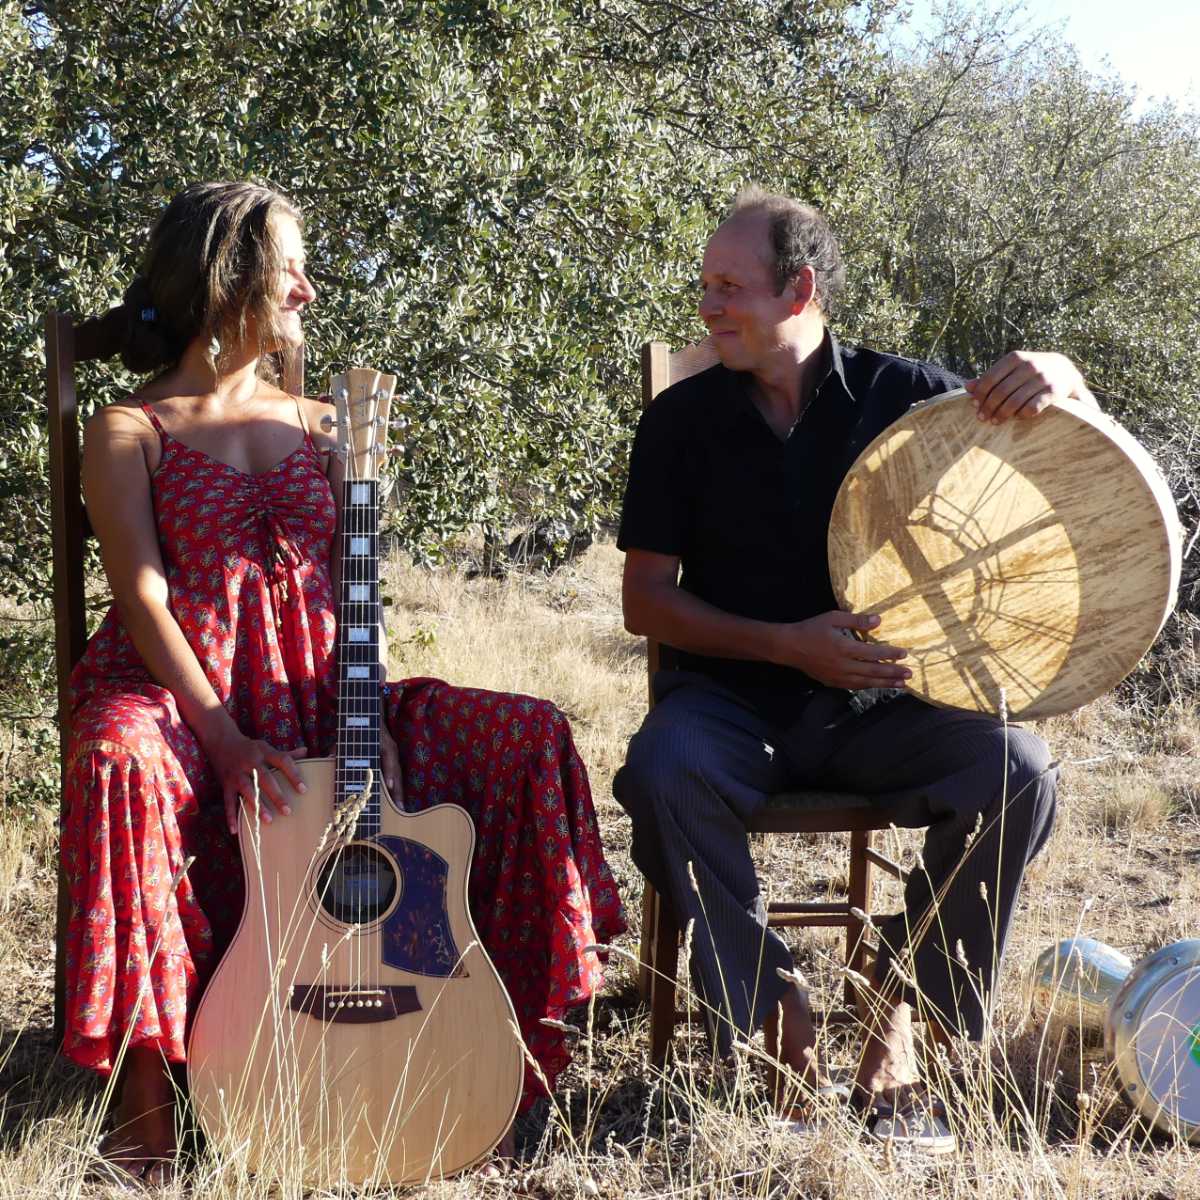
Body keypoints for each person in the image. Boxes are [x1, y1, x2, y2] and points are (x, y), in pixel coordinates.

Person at [61, 181, 625, 1182]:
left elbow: (355, 585)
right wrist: (224, 738)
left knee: (528, 733)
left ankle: (492, 1057)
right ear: (229, 280)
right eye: (292, 270)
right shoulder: (130, 429)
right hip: (188, 699)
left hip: (330, 692)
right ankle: (147, 1108)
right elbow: (142, 598)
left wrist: (376, 717)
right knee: (118, 755)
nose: (309, 291)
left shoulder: (328, 425)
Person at [614, 186, 1088, 1153]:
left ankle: (899, 1006)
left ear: (800, 290)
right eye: (704, 286)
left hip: (885, 709)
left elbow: (1056, 457)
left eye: (729, 287)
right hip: (731, 704)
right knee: (663, 770)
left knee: (1019, 772)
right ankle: (776, 1008)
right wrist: (787, 644)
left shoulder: (905, 398)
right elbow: (646, 602)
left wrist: (1063, 375)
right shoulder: (679, 421)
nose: (707, 306)